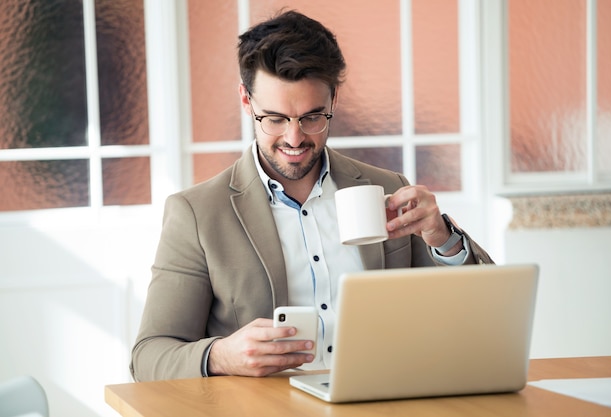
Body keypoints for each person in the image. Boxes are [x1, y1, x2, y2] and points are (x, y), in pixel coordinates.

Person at [130, 10, 493, 382]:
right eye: (274, 118)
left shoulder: (385, 188)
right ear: (246, 100)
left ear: (334, 98)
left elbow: (480, 315)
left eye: (312, 117)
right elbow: (149, 357)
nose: (294, 138)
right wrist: (221, 355)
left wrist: (443, 240)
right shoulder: (197, 213)